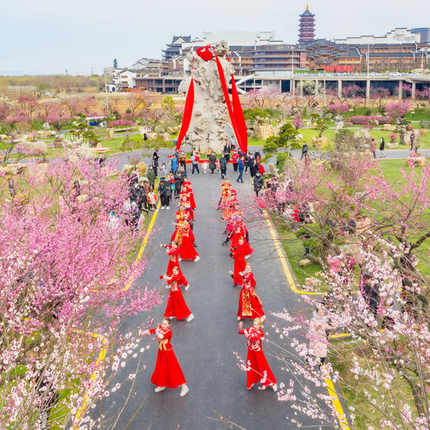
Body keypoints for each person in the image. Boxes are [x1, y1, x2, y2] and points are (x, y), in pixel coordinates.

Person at [143, 318, 189, 396]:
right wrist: (143, 332)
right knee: (161, 368)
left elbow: (161, 336)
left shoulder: (169, 332)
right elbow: (151, 331)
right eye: (162, 323)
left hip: (168, 353)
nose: (163, 325)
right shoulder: (159, 328)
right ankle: (162, 384)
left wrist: (156, 331)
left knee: (174, 369)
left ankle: (184, 386)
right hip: (161, 352)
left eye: (165, 324)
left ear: (168, 325)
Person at [238, 318, 277, 391]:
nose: (255, 326)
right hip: (251, 352)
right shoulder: (251, 329)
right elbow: (240, 332)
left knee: (263, 366)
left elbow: (251, 339)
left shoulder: (260, 333)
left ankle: (272, 382)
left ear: (260, 325)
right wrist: (240, 327)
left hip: (258, 353)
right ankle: (251, 381)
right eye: (254, 324)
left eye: (257, 325)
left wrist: (246, 333)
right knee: (250, 366)